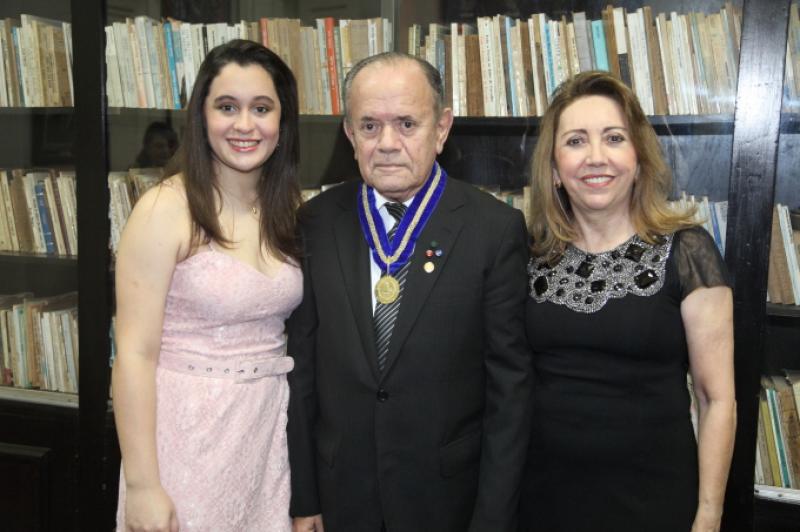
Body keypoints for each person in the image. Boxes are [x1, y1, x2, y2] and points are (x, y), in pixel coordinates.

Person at [287, 52, 532, 532]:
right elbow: (303, 370)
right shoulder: (315, 222)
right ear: (349, 134)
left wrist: (492, 519)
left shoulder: (494, 230)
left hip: (447, 499)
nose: (387, 144)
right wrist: (305, 497)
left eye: (406, 124)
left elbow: (510, 392)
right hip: (341, 498)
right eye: (370, 126)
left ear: (441, 129)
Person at [519, 71, 736, 532]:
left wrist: (709, 515)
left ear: (638, 160)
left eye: (614, 138)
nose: (596, 157)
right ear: (554, 170)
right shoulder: (529, 256)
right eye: (576, 141)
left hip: (655, 502)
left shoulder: (688, 252)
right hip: (542, 500)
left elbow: (716, 399)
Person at [112, 39, 302, 532]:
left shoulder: (288, 210)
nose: (245, 125)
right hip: (186, 443)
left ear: (282, 121)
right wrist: (142, 485)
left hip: (265, 439)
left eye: (261, 108)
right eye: (227, 107)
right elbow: (134, 353)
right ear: (202, 116)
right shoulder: (164, 209)